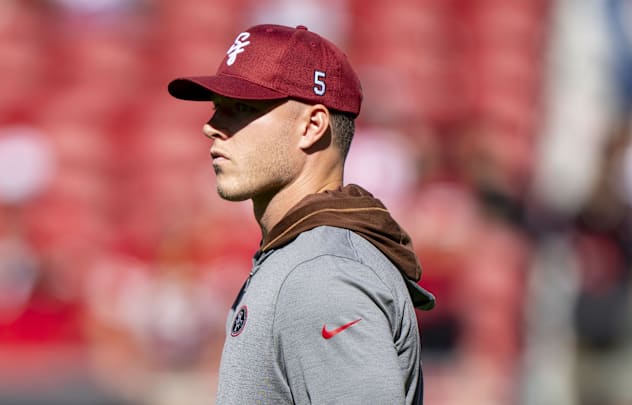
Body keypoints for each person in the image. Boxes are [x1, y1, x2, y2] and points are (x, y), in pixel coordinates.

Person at [167, 23, 435, 405]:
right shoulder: (302, 256)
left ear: (312, 127)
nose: (211, 127)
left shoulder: (323, 273)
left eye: (242, 108)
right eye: (217, 108)